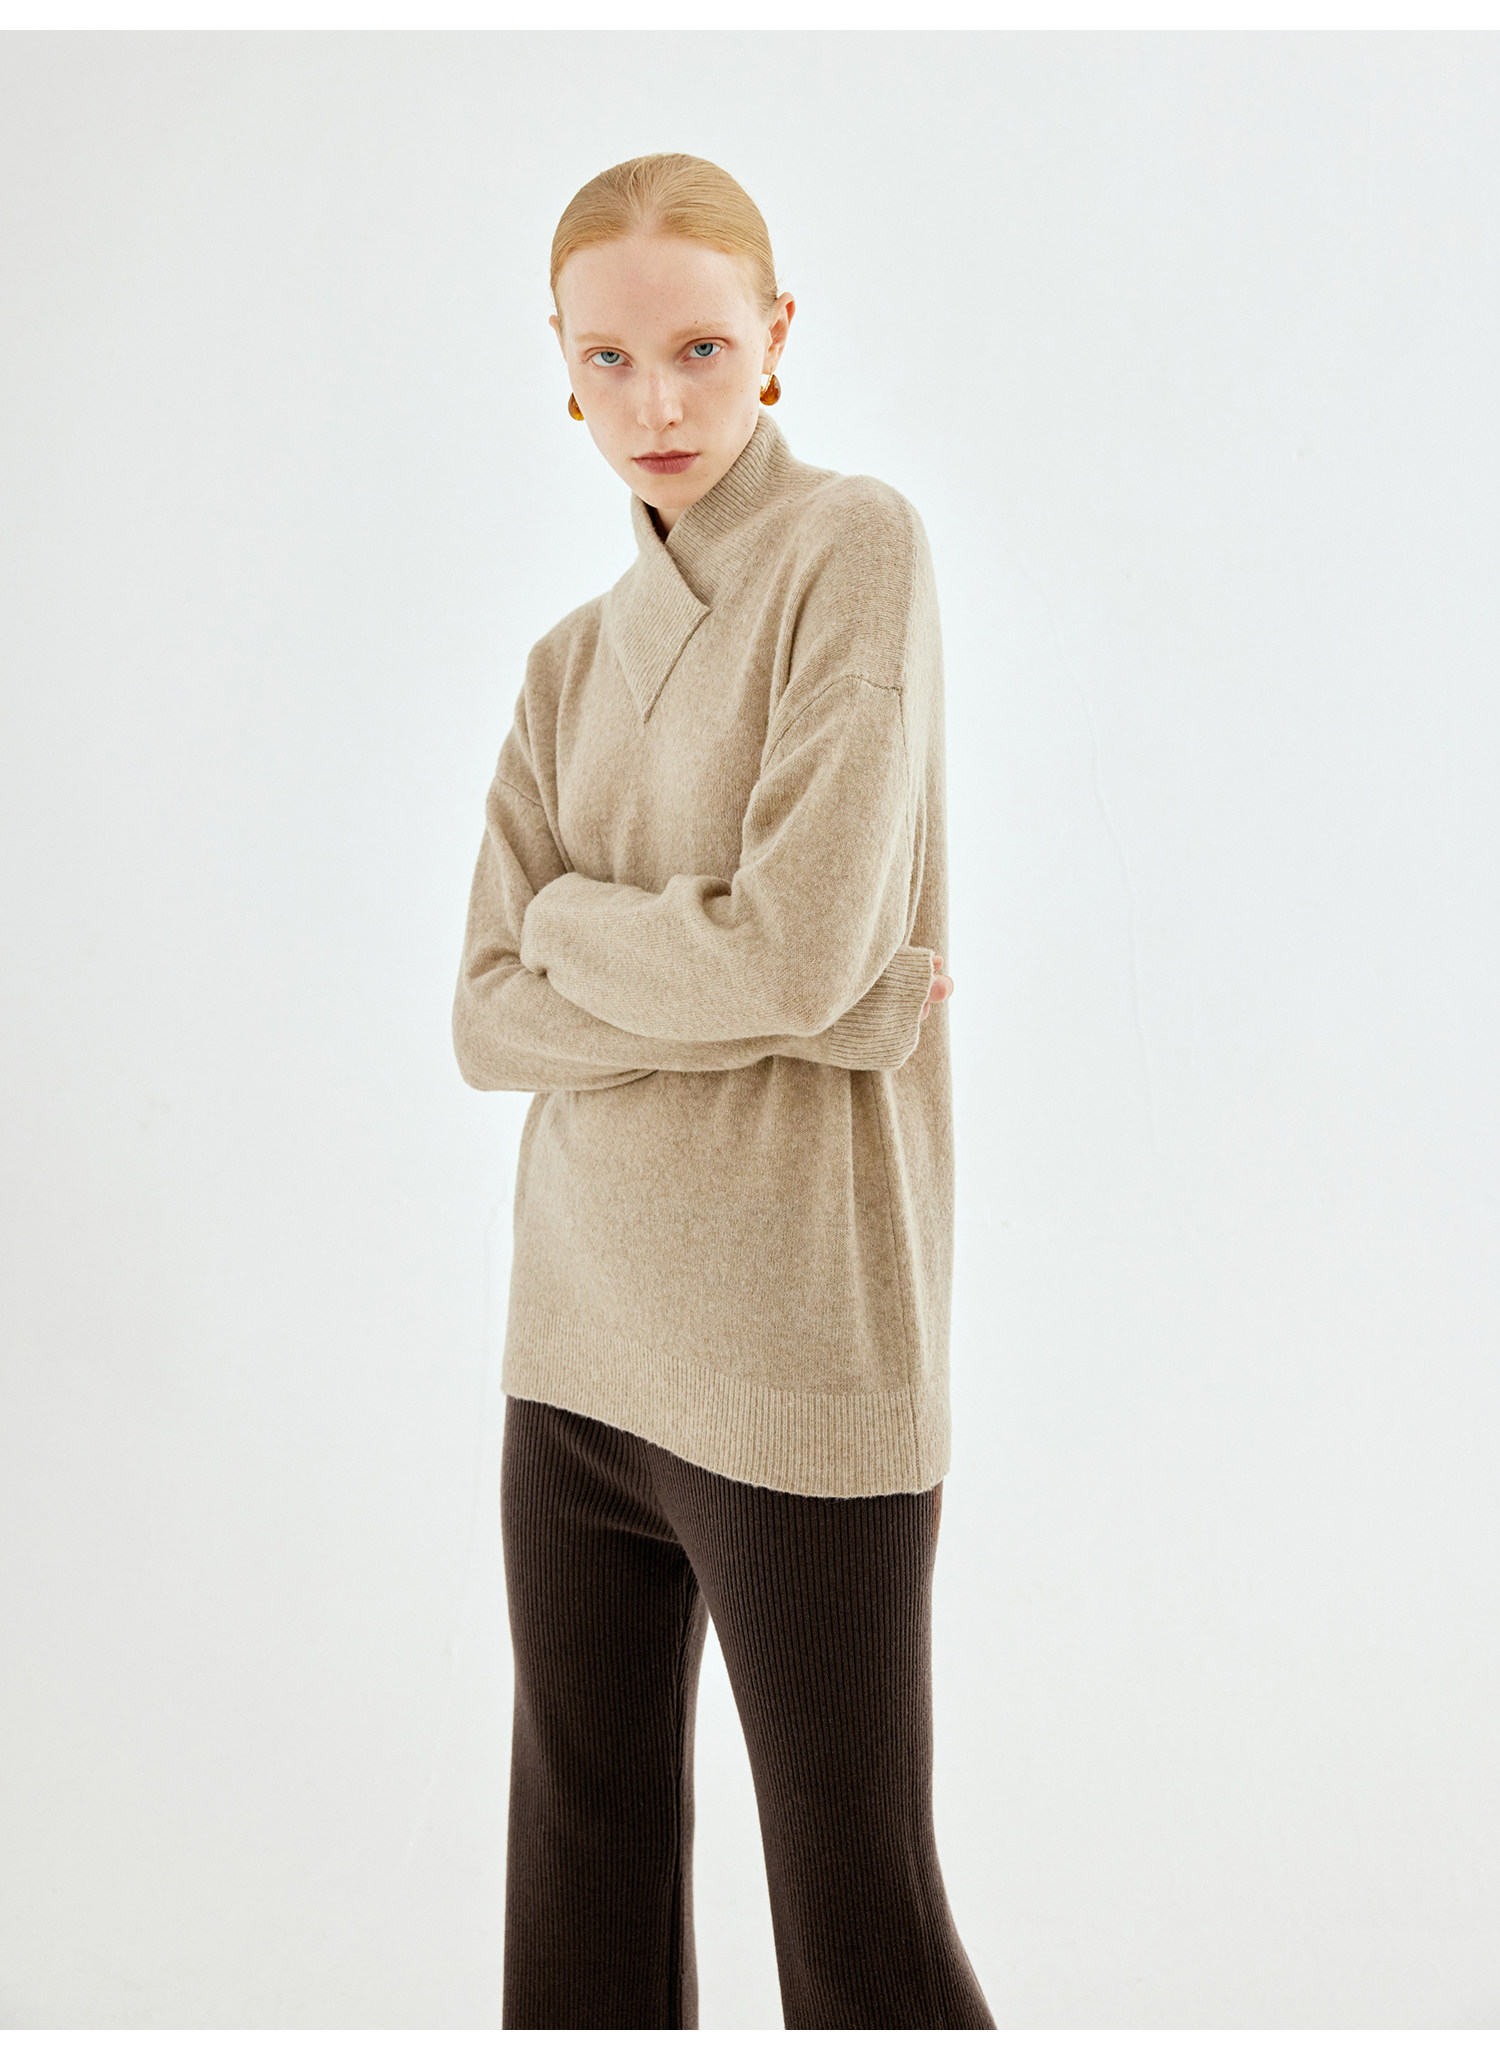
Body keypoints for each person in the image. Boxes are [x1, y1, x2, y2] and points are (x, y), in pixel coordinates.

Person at [452, 152, 991, 2032]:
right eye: (607, 358)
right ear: (561, 367)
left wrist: (581, 929)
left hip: (795, 1348)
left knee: (859, 1931)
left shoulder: (853, 549)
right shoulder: (561, 669)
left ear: (775, 338)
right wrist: (797, 996)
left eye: (697, 346)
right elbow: (485, 1019)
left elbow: (800, 947)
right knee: (577, 1896)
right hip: (571, 1345)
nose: (655, 401)